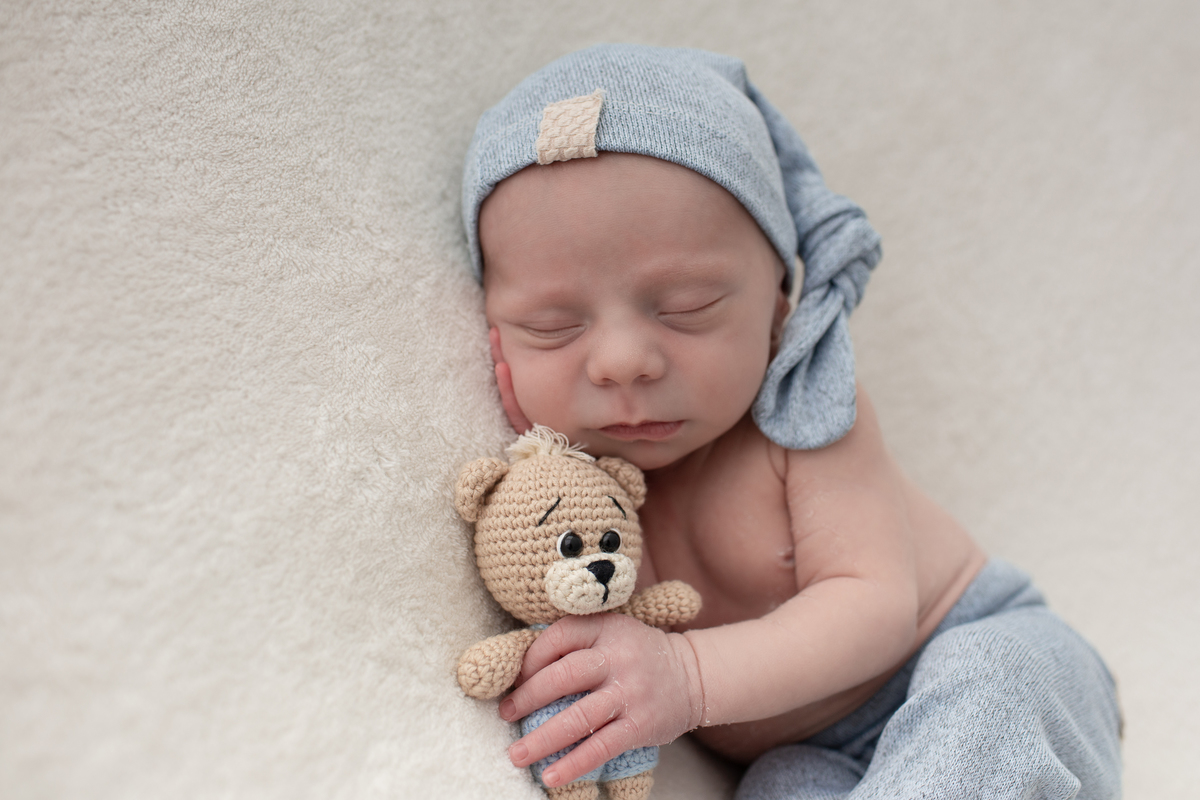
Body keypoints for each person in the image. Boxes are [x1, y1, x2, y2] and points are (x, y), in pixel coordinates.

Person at [461, 44, 1121, 799]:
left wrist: (688, 675)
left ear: (779, 306)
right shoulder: (585, 496)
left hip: (988, 655)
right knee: (782, 784)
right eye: (553, 327)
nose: (622, 362)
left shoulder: (803, 411)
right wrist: (542, 450)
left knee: (993, 682)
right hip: (824, 757)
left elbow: (873, 608)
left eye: (686, 309)